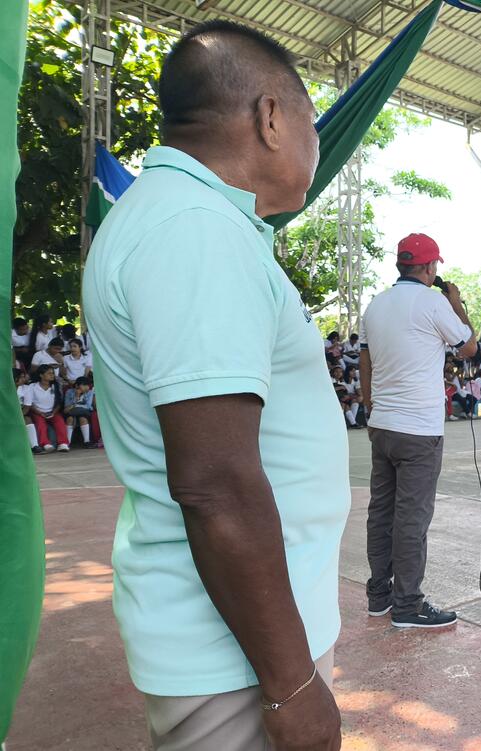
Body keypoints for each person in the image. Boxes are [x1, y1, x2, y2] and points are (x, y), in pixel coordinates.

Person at [82, 21, 348, 751]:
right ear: (269, 117)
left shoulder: (186, 220)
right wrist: (293, 685)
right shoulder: (195, 230)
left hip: (241, 638)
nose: (313, 145)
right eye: (308, 121)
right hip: (238, 656)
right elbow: (217, 481)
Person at [359, 233, 476, 630]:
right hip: (419, 431)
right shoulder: (434, 302)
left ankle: (379, 596)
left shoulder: (375, 304)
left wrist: (370, 400)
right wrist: (456, 301)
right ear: (429, 267)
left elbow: (364, 356)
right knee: (412, 518)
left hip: (382, 425)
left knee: (382, 512)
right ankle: (408, 606)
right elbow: (468, 346)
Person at [26, 365, 69, 453]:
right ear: (41, 375)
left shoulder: (56, 386)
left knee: (60, 421)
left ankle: (63, 443)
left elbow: (59, 403)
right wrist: (40, 413)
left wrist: (53, 412)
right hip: (37, 411)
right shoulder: (32, 386)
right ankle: (45, 443)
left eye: (53, 373)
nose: (52, 375)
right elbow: (30, 404)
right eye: (49, 373)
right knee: (40, 423)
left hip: (52, 411)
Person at [14, 369, 42, 454]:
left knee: (28, 420)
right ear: (14, 378)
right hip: (6, 413)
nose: (24, 379)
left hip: (21, 412)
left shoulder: (27, 388)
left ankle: (34, 446)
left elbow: (27, 407)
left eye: (24, 377)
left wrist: (18, 417)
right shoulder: (4, 388)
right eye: (21, 377)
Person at [63, 376, 96, 446]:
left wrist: (76, 406)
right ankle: (67, 442)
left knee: (82, 418)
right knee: (70, 419)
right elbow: (67, 405)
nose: (87, 387)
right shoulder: (69, 392)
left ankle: (87, 441)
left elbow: (88, 406)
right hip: (71, 411)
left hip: (84, 411)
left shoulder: (90, 392)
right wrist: (76, 396)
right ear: (77, 385)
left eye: (87, 385)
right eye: (84, 385)